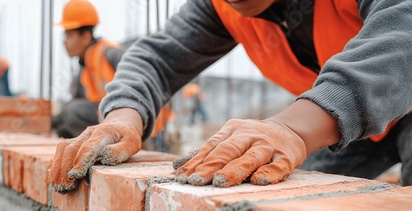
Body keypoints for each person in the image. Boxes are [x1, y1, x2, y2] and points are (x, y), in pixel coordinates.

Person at [49, 0, 412, 193]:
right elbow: (155, 58)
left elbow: (404, 31)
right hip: (348, 127)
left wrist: (293, 129)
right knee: (286, 195)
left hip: (393, 107)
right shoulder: (223, 7)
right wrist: (123, 116)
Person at [51, 0, 125, 138]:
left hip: (123, 116)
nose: (64, 41)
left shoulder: (108, 52)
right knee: (64, 120)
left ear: (85, 37)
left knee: (72, 112)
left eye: (69, 35)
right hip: (104, 114)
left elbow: (138, 68)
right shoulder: (85, 65)